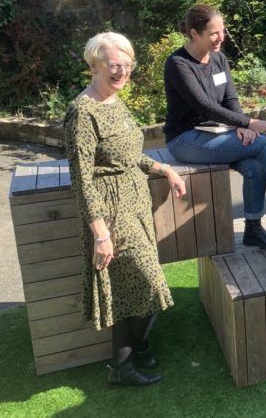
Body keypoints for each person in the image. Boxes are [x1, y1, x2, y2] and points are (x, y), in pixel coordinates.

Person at [64, 32, 186, 386]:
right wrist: (101, 234)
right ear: (93, 66)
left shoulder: (115, 102)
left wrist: (162, 169)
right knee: (147, 283)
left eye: (127, 64)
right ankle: (123, 365)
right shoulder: (82, 112)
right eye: (113, 65)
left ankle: (134, 354)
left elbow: (130, 156)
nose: (121, 72)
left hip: (135, 205)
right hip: (111, 213)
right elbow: (82, 180)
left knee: (134, 288)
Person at [163, 4, 266, 253]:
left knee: (254, 167)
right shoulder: (178, 64)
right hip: (185, 138)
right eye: (213, 33)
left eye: (223, 30)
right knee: (261, 143)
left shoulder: (219, 59)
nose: (221, 37)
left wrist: (239, 126)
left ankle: (253, 229)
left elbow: (229, 100)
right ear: (194, 33)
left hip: (217, 132)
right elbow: (205, 107)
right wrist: (248, 123)